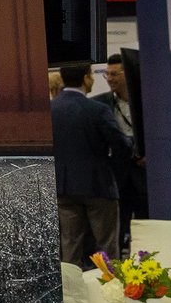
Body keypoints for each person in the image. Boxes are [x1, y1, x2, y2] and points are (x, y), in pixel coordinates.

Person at [52, 60, 130, 269]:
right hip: (99, 186)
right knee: (107, 247)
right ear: (86, 78)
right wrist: (110, 168)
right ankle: (109, 292)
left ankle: (73, 297)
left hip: (63, 187)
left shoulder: (49, 110)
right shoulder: (98, 110)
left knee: (70, 246)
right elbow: (122, 145)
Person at [94, 57, 146, 246]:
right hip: (116, 176)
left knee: (146, 225)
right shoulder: (100, 104)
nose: (109, 78)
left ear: (128, 74)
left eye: (114, 74)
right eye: (107, 74)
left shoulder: (147, 103)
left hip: (144, 174)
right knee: (116, 228)